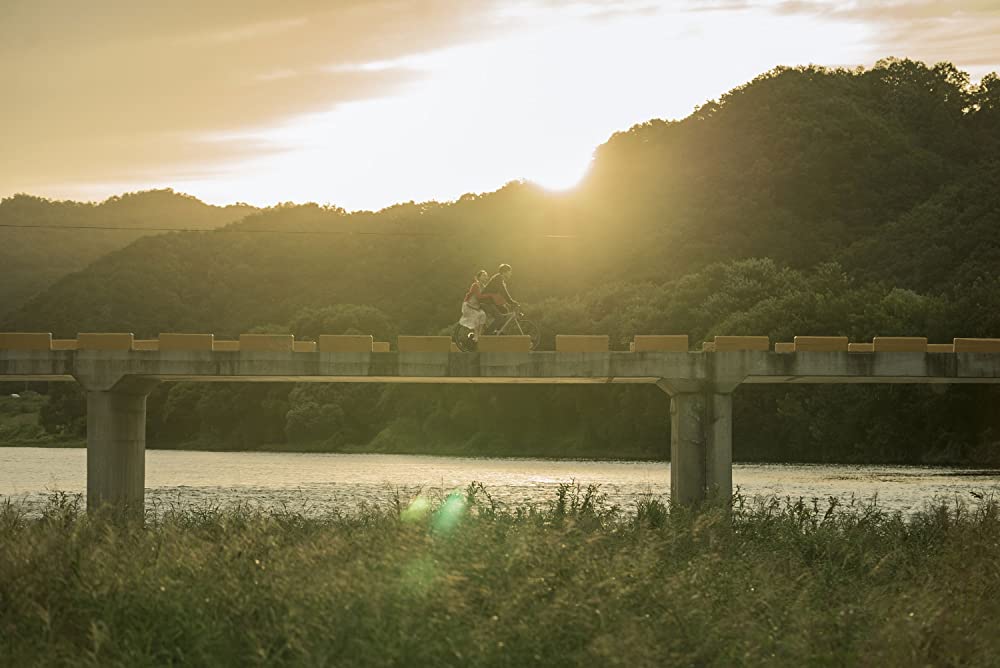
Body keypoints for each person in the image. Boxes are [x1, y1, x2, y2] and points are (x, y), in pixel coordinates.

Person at [480, 263, 519, 333]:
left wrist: (507, 303)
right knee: (499, 318)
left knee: (504, 311)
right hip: (485, 302)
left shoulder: (500, 279)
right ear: (504, 272)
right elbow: (504, 292)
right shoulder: (498, 279)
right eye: (509, 272)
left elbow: (500, 295)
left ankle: (497, 331)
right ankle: (487, 335)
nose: (511, 274)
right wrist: (511, 302)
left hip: (490, 301)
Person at [458, 269, 490, 341]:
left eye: (486, 276)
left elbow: (486, 296)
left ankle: (479, 335)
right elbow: (479, 296)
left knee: (483, 315)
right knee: (476, 316)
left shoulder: (483, 286)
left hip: (475, 307)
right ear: (479, 277)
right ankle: (476, 337)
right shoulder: (475, 285)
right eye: (484, 275)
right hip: (468, 305)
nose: (486, 277)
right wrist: (489, 296)